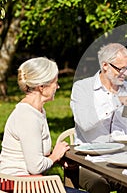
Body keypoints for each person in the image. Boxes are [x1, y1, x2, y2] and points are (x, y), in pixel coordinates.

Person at [0, 57, 84, 193]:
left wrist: (56, 159)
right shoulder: (27, 116)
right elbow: (35, 167)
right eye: (55, 83)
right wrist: (54, 156)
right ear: (41, 87)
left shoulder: (37, 110)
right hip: (17, 186)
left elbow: (34, 155)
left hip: (29, 183)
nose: (58, 86)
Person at [70, 43, 127, 193]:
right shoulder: (82, 88)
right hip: (88, 160)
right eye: (121, 69)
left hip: (121, 157)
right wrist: (116, 101)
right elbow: (85, 123)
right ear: (105, 65)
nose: (126, 73)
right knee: (100, 187)